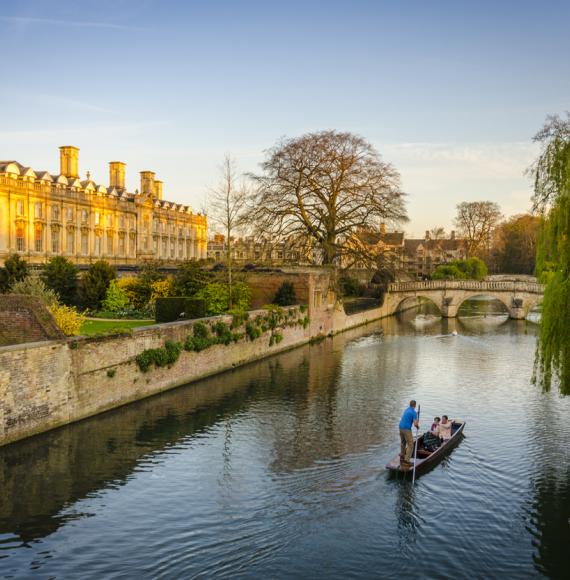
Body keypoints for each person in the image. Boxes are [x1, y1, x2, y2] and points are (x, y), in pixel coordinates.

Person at [399, 400, 419, 465]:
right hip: (406, 429)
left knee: (403, 442)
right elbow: (415, 424)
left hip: (400, 427)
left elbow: (409, 415)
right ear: (415, 405)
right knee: (411, 445)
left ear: (410, 404)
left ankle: (402, 454)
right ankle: (406, 460)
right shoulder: (414, 413)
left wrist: (416, 414)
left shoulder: (407, 409)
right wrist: (417, 427)